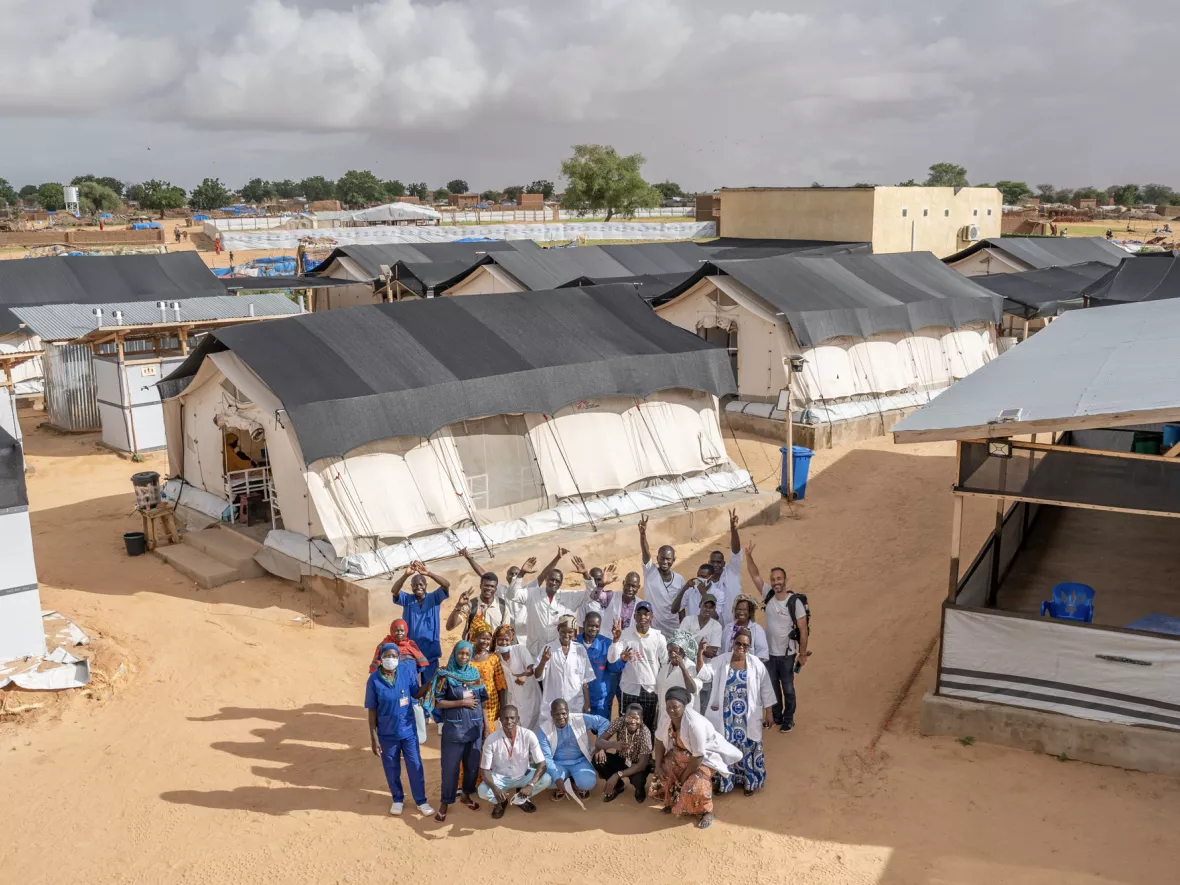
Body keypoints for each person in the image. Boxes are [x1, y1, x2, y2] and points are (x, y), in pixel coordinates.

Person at [652, 686, 740, 830]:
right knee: (664, 770)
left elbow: (698, 756)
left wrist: (684, 777)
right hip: (679, 755)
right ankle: (672, 802)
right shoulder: (666, 716)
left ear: (684, 706)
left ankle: (707, 811)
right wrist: (657, 765)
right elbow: (659, 740)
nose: (671, 711)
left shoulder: (694, 724)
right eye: (668, 707)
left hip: (701, 761)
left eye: (676, 707)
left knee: (695, 786)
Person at [704, 627, 776, 796]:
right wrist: (700, 654)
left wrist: (769, 712)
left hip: (748, 716)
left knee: (747, 745)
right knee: (725, 744)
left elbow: (766, 688)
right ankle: (724, 781)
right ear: (733, 643)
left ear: (749, 647)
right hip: (726, 715)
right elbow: (705, 674)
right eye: (738, 643)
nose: (741, 647)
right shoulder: (721, 660)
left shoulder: (756, 664)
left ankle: (748, 781)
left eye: (745, 645)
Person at [366, 643, 434, 817]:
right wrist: (374, 738)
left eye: (394, 656)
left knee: (415, 765)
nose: (391, 659)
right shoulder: (373, 680)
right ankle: (397, 799)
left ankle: (421, 801)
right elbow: (372, 710)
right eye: (387, 656)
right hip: (387, 734)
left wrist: (430, 683)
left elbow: (416, 693)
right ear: (381, 658)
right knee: (391, 767)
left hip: (408, 731)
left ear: (398, 658)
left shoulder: (405, 672)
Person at [749, 543, 809, 732]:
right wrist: (748, 556)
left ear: (785, 580)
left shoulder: (794, 602)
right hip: (769, 653)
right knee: (773, 687)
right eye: (773, 579)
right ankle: (776, 716)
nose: (776, 582)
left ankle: (788, 719)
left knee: (788, 688)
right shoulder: (768, 595)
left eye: (779, 579)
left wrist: (803, 653)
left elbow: (803, 629)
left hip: (787, 654)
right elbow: (755, 576)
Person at [428, 641, 486, 822]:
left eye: (467, 654)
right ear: (454, 654)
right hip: (454, 730)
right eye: (460, 653)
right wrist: (461, 703)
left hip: (474, 728)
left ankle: (466, 795)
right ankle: (445, 802)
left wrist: (486, 726)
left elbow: (482, 700)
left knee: (471, 767)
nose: (463, 657)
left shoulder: (474, 674)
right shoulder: (446, 675)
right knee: (450, 768)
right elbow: (437, 702)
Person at [503, 548, 589, 659]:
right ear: (546, 580)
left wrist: (586, 575)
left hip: (559, 650)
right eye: (551, 579)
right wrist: (521, 573)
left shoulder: (570, 596)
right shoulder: (532, 593)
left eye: (557, 581)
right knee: (536, 675)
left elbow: (591, 596)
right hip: (536, 650)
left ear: (561, 583)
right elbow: (511, 595)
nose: (553, 583)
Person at [478, 705, 552, 818]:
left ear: (518, 719)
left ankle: (521, 799)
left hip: (523, 776)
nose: (509, 721)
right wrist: (495, 789)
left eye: (512, 718)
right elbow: (484, 771)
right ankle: (500, 802)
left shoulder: (528, 735)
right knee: (482, 791)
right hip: (500, 778)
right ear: (500, 719)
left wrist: (530, 785)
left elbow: (542, 764)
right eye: (505, 718)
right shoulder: (491, 740)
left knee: (546, 779)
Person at [608, 600, 668, 734]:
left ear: (651, 616)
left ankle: (645, 754)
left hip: (650, 688)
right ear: (634, 616)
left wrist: (661, 685)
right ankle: (624, 754)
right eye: (639, 613)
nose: (642, 617)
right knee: (626, 725)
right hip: (629, 687)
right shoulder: (624, 634)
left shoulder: (659, 638)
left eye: (646, 614)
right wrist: (616, 640)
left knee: (647, 726)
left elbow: (665, 663)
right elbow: (612, 659)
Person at [536, 699, 611, 801]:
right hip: (557, 763)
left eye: (563, 713)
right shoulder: (544, 729)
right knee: (548, 782)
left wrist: (600, 746)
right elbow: (547, 758)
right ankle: (565, 779)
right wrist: (557, 778)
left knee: (587, 783)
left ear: (568, 711)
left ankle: (576, 782)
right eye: (556, 714)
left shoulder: (579, 719)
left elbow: (604, 722)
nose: (561, 717)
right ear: (551, 714)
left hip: (580, 760)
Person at [391, 561, 451, 687]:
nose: (418, 587)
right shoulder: (407, 599)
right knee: (412, 686)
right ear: (411, 587)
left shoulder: (434, 598)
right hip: (411, 654)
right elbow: (394, 590)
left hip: (430, 653)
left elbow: (446, 585)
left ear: (425, 585)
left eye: (421, 584)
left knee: (431, 687)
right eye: (415, 585)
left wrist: (429, 573)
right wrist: (405, 575)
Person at [459, 548, 530, 649]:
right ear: (506, 577)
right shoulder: (499, 589)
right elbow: (484, 575)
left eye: (517, 574)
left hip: (521, 637)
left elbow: (541, 579)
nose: (514, 576)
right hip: (491, 638)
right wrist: (469, 558)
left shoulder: (526, 590)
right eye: (511, 573)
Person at [534, 614, 595, 719]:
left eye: (570, 632)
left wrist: (587, 705)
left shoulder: (580, 650)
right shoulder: (548, 648)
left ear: (575, 632)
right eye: (563, 632)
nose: (566, 635)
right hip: (552, 705)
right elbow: (537, 675)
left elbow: (585, 681)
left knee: (575, 734)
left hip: (575, 705)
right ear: (558, 630)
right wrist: (543, 661)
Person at [593, 703, 653, 803]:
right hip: (621, 758)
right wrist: (612, 744)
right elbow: (598, 742)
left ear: (641, 719)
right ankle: (618, 786)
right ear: (624, 717)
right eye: (629, 717)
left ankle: (639, 789)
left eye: (636, 718)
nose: (633, 721)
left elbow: (642, 764)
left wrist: (617, 774)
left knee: (638, 781)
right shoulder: (619, 722)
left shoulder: (645, 732)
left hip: (637, 764)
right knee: (597, 759)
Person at [639, 514, 685, 636]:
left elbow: (681, 607)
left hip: (673, 629)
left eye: (668, 559)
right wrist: (643, 534)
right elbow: (645, 552)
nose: (665, 562)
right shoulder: (650, 571)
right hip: (653, 629)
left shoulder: (679, 579)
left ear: (673, 560)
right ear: (657, 558)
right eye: (662, 558)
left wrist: (682, 629)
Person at [494, 623, 541, 730]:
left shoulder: (520, 649)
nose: (504, 643)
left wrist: (524, 676)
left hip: (530, 699)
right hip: (512, 701)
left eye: (506, 639)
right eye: (500, 639)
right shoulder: (495, 657)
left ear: (511, 639)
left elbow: (531, 666)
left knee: (533, 732)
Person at [578, 611, 624, 720]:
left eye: (596, 626)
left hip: (600, 700)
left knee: (602, 732)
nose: (593, 629)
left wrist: (623, 660)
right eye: (590, 625)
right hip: (577, 698)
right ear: (584, 624)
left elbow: (613, 668)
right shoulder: (574, 642)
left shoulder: (607, 643)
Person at [445, 571, 510, 643]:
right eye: (486, 585)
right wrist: (458, 605)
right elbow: (450, 627)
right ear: (480, 586)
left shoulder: (502, 606)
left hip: (493, 652)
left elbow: (504, 633)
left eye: (492, 586)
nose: (489, 588)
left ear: (496, 589)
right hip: (473, 651)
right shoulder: (471, 605)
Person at [684, 593, 723, 711]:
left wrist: (691, 643)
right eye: (706, 605)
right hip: (686, 670)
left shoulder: (716, 626)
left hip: (705, 672)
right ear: (700, 605)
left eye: (711, 607)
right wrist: (702, 648)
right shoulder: (688, 620)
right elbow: (680, 644)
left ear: (714, 609)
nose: (708, 609)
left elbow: (711, 653)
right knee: (686, 707)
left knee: (702, 710)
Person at [706, 510, 744, 625]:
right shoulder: (705, 583)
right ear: (709, 563)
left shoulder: (732, 570)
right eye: (712, 562)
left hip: (735, 625)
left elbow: (736, 551)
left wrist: (733, 529)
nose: (715, 565)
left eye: (718, 562)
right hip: (715, 629)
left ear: (724, 563)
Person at [469, 626, 507, 735]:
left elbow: (501, 685)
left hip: (491, 703)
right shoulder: (466, 657)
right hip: (472, 701)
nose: (485, 642)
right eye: (482, 638)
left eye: (488, 639)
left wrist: (502, 708)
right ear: (474, 637)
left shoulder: (493, 658)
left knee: (489, 733)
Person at [657, 629, 703, 703]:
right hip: (664, 709)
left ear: (683, 652)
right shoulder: (665, 667)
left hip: (683, 709)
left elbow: (693, 689)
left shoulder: (690, 666)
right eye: (670, 651)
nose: (672, 654)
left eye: (676, 651)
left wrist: (683, 668)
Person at [570, 555, 618, 624]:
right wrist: (586, 574)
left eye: (599, 579)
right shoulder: (586, 600)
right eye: (593, 580)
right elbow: (581, 626)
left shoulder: (610, 597)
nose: (596, 582)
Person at [722, 595, 770, 662]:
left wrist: (751, 667)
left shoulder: (757, 629)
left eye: (745, 610)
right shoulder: (728, 628)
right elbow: (721, 651)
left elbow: (762, 653)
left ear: (750, 611)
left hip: (749, 669)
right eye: (739, 609)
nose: (741, 612)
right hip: (728, 667)